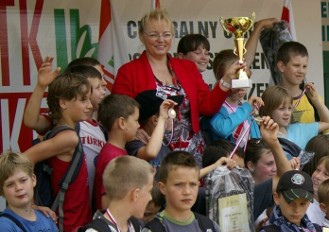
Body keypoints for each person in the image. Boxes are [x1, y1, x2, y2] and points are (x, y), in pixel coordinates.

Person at [112, 7, 240, 166]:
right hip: (153, 150)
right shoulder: (128, 71)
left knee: (192, 191)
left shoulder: (187, 67)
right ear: (141, 36)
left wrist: (226, 80)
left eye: (166, 34)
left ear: (172, 36)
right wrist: (134, 131)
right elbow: (117, 112)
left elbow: (207, 106)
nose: (161, 40)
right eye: (153, 35)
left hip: (192, 150)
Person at [23, 58, 108, 201]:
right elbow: (31, 121)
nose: (104, 85)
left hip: (88, 211)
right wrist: (41, 86)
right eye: (98, 85)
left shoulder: (101, 126)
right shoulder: (64, 127)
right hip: (67, 218)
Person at [23, 72, 94, 232]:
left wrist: (41, 86)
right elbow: (25, 159)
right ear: (63, 103)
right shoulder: (68, 137)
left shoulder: (59, 126)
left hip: (74, 225)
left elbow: (30, 121)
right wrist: (30, 205)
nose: (90, 105)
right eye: (83, 100)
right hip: (68, 228)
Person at [93, 94, 174, 211]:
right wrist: (161, 119)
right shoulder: (113, 157)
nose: (138, 125)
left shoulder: (118, 151)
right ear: (122, 123)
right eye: (136, 120)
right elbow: (106, 202)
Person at [208, 49, 264, 146]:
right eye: (236, 80)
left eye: (245, 79)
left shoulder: (246, 108)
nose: (242, 87)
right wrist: (246, 108)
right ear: (223, 80)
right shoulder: (214, 107)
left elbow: (256, 139)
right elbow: (223, 130)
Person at [259, 85, 329, 151]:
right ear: (268, 110)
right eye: (281, 108)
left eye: (289, 108)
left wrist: (315, 99)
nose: (287, 113)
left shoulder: (300, 130)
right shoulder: (258, 135)